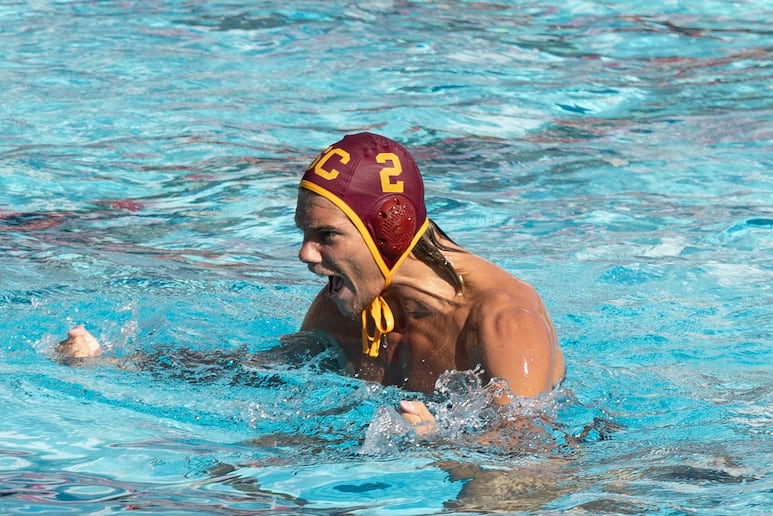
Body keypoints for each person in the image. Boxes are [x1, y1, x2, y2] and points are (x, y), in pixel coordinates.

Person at [57, 132, 565, 433]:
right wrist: (113, 364)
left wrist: (438, 445)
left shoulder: (502, 322)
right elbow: (255, 372)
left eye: (325, 235)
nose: (305, 253)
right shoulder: (343, 309)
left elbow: (528, 465)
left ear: (389, 230)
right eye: (304, 233)